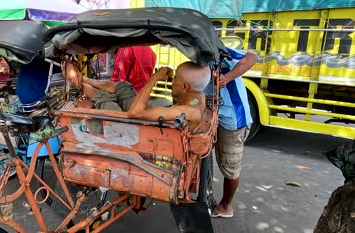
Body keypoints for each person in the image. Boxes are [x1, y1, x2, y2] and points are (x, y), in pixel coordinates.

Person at [64, 61, 211, 130]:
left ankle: (79, 83)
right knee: (124, 87)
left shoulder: (191, 111)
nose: (172, 82)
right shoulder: (197, 97)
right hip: (149, 120)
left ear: (185, 87)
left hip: (138, 133)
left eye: (175, 80)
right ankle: (84, 80)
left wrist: (154, 78)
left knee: (103, 97)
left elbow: (135, 113)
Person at [206, 47, 258, 218]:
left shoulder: (219, 50)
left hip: (233, 119)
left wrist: (226, 78)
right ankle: (204, 197)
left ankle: (226, 206)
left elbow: (252, 57)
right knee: (202, 155)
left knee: (229, 167)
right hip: (210, 115)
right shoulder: (196, 56)